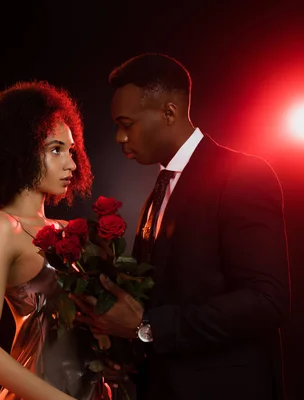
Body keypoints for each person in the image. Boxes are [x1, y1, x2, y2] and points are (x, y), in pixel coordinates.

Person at [71, 53, 291, 400]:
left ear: (169, 113)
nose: (119, 137)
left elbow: (267, 300)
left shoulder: (242, 175)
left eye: (126, 123)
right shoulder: (157, 192)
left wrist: (147, 328)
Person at [0, 80, 120, 399]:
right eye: (55, 149)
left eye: (71, 150)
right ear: (19, 149)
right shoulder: (2, 226)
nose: (71, 164)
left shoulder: (71, 231)